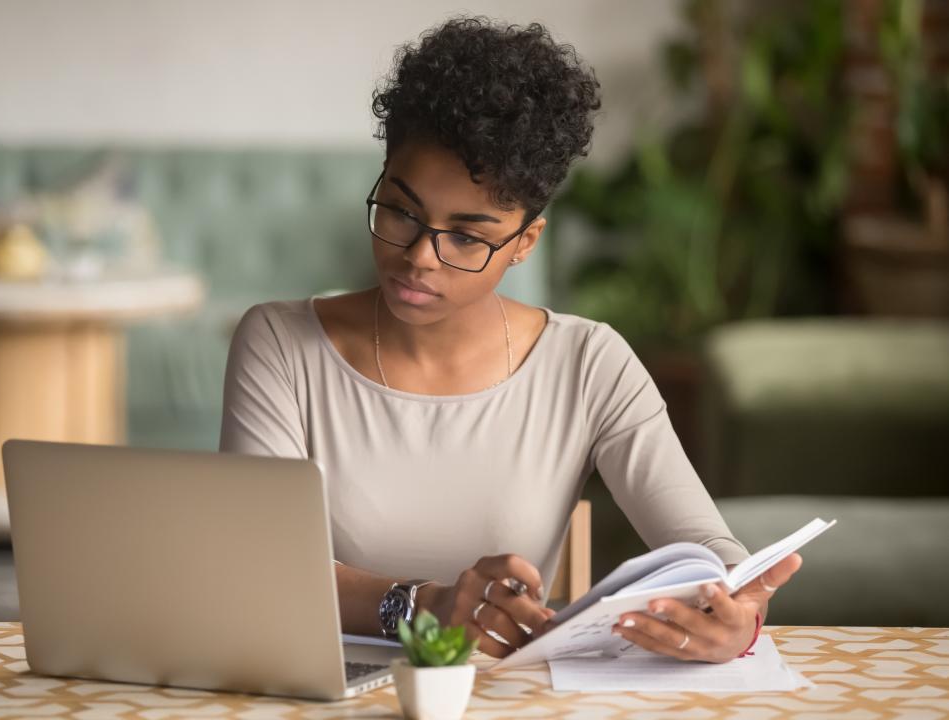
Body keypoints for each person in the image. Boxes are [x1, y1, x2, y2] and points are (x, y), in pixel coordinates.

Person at [220, 16, 801, 662]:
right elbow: (257, 566)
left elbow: (705, 544)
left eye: (466, 236)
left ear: (525, 242)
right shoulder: (277, 344)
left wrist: (738, 614)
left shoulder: (588, 363)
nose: (419, 256)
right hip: (323, 695)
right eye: (400, 210)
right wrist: (421, 606)